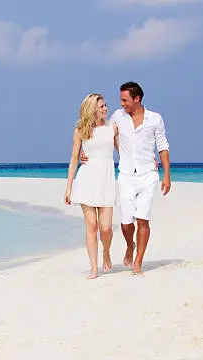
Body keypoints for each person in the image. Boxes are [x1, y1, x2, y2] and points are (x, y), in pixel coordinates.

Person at [83, 81, 171, 276]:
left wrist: (167, 175)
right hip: (125, 176)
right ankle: (129, 246)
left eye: (125, 100)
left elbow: (163, 147)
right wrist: (85, 151)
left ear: (136, 99)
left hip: (148, 175)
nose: (122, 104)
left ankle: (138, 261)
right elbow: (101, 134)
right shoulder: (117, 117)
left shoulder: (155, 119)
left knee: (143, 219)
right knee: (126, 222)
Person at [64, 93, 119, 279]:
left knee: (106, 228)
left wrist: (145, 161)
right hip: (87, 179)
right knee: (92, 225)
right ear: (92, 109)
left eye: (105, 105)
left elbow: (124, 152)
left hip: (106, 180)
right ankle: (94, 267)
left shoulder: (113, 127)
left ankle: (106, 251)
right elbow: (73, 158)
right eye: (101, 106)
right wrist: (69, 187)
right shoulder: (81, 130)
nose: (105, 109)